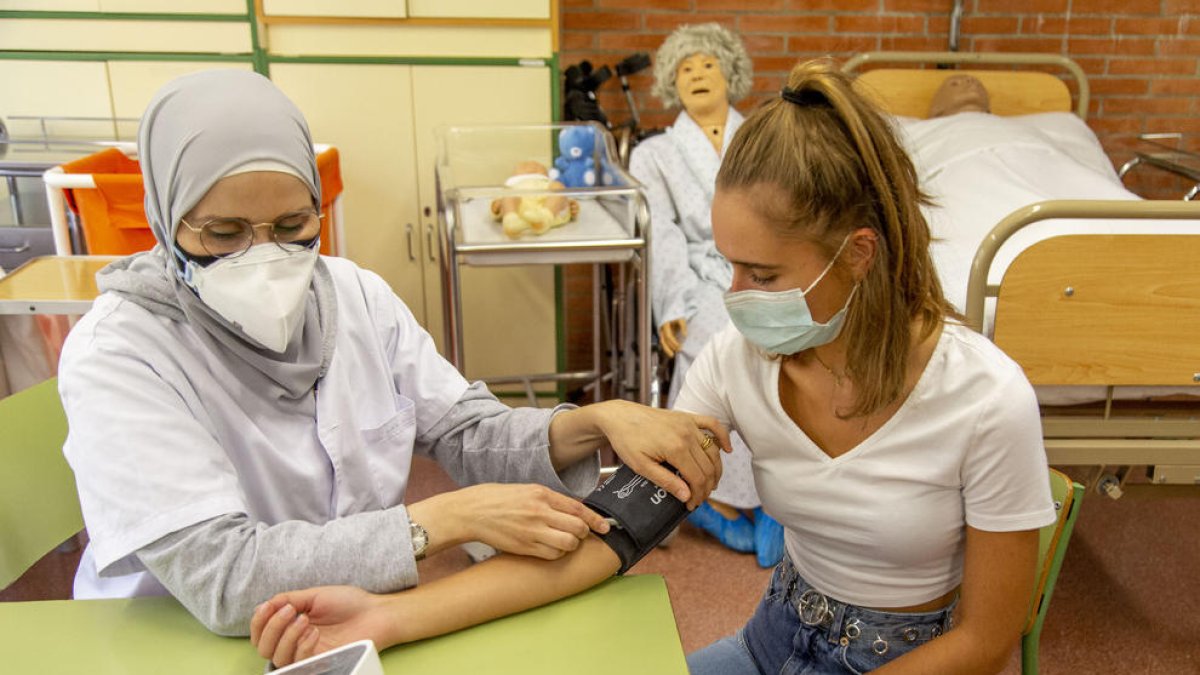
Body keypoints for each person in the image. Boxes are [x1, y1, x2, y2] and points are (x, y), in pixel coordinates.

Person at [56, 70, 731, 636]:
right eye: (224, 234)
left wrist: (593, 420)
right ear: (164, 221)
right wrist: (440, 520)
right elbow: (224, 577)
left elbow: (467, 430)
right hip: (170, 635)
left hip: (343, 612)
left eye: (293, 226)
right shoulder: (119, 353)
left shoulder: (352, 296)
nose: (263, 258)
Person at [680, 60, 1057, 673]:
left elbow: (987, 641)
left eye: (764, 274)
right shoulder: (735, 358)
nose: (737, 294)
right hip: (773, 637)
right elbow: (641, 503)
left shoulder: (985, 398)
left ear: (858, 253)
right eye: (730, 265)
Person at [628, 22, 783, 567]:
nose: (696, 74)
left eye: (707, 65)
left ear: (729, 74)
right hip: (698, 270)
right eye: (684, 68)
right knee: (722, 341)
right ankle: (715, 495)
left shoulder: (763, 137)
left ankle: (776, 496)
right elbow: (663, 232)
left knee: (791, 337)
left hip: (766, 263)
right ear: (672, 84)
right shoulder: (655, 154)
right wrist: (672, 303)